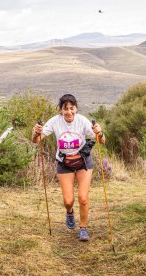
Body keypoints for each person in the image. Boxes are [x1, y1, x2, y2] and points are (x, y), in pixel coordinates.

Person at [32, 94, 105, 241]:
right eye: (66, 109)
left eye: (72, 108)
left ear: (76, 108)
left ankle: (83, 229)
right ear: (61, 110)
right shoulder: (54, 121)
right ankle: (70, 212)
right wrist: (35, 133)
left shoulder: (82, 120)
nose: (69, 112)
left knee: (83, 198)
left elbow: (101, 141)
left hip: (83, 161)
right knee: (68, 201)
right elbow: (37, 140)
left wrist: (100, 132)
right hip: (64, 163)